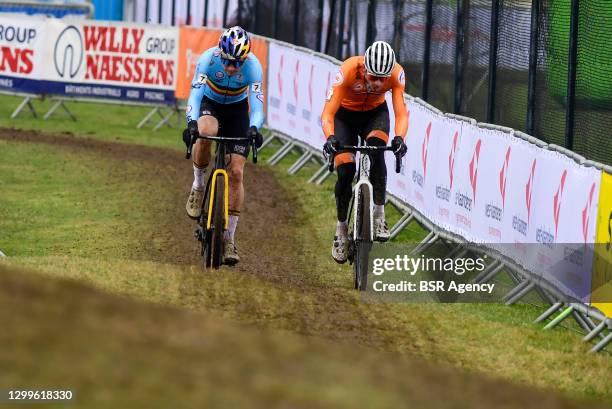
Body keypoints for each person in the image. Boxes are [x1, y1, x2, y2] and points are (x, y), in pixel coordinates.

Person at [321, 41, 409, 264]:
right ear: (365, 69)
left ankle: (379, 215)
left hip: (374, 115)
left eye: (383, 79)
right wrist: (331, 138)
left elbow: (400, 114)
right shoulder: (349, 69)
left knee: (377, 151)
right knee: (346, 171)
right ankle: (341, 231)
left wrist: (399, 138)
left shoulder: (397, 74)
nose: (378, 83)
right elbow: (328, 114)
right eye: (373, 78)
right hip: (345, 117)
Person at [183, 26, 264, 265]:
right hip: (212, 103)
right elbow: (195, 96)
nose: (231, 68)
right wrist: (191, 124)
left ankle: (229, 238)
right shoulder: (208, 59)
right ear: (221, 54)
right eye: (228, 62)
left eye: (237, 63)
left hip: (238, 111)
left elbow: (258, 107)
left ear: (245, 59)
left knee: (237, 172)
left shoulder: (253, 67)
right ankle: (198, 185)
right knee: (206, 132)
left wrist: (255, 128)